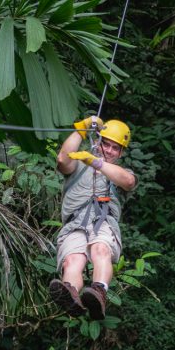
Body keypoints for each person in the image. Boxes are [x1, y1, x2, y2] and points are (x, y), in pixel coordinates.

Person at [49, 115, 137, 320]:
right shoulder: (78, 164)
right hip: (74, 222)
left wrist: (96, 162)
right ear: (98, 141)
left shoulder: (118, 172)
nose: (109, 151)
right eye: (106, 144)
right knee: (72, 260)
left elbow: (129, 181)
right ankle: (70, 294)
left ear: (121, 152)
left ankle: (99, 292)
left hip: (103, 221)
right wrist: (82, 128)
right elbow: (62, 159)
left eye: (116, 148)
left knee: (100, 249)